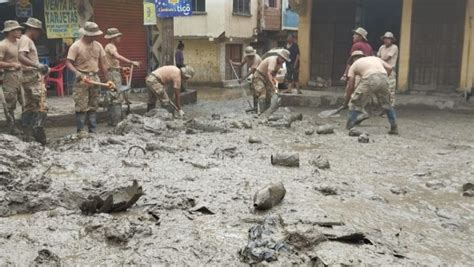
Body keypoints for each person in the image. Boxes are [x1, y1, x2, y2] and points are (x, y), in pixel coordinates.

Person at [66, 22, 112, 137]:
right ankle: (81, 131)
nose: (95, 36)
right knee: (81, 106)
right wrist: (77, 73)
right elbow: (68, 63)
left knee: (93, 105)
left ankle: (93, 131)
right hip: (82, 78)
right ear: (87, 34)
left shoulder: (98, 45)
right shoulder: (76, 46)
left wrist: (108, 80)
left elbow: (104, 64)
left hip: (94, 77)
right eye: (93, 34)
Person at [343, 51, 398, 135]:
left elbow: (350, 86)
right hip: (384, 77)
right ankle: (394, 128)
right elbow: (389, 68)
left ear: (353, 59)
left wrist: (346, 102)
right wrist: (382, 78)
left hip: (369, 77)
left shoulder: (354, 65)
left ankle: (349, 126)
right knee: (387, 104)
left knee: (355, 103)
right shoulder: (375, 58)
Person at [17, 17, 49, 145]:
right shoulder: (26, 40)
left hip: (28, 76)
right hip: (31, 77)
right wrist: (37, 66)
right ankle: (38, 136)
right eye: (38, 31)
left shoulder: (25, 40)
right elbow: (21, 57)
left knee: (29, 107)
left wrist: (40, 66)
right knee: (41, 106)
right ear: (33, 29)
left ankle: (28, 136)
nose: (39, 34)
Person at [103, 27, 140, 127]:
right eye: (118, 36)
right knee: (116, 96)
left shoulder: (109, 46)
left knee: (112, 96)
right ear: (113, 37)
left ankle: (111, 122)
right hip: (113, 74)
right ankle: (116, 122)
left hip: (113, 71)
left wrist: (121, 67)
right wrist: (131, 61)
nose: (120, 38)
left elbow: (112, 62)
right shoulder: (111, 46)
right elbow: (117, 56)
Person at [0, 20, 23, 135]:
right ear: (10, 31)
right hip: (9, 76)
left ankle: (26, 125)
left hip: (21, 75)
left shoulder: (20, 42)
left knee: (26, 101)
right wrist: (11, 64)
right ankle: (12, 127)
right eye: (17, 29)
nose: (19, 31)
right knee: (10, 103)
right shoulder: (3, 45)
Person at [252, 49, 291, 114]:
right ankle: (262, 113)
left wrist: (275, 86)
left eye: (285, 60)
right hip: (259, 76)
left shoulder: (280, 64)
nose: (283, 61)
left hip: (267, 78)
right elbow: (269, 73)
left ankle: (267, 112)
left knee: (269, 94)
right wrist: (273, 84)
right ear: (279, 56)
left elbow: (273, 75)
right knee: (262, 93)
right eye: (282, 58)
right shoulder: (273, 60)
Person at [377, 32, 399, 106]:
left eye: (388, 39)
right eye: (385, 38)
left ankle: (390, 108)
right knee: (382, 89)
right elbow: (378, 56)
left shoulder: (394, 47)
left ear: (391, 40)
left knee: (390, 90)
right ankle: (383, 107)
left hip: (390, 71)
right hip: (381, 70)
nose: (386, 40)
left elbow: (387, 58)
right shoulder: (381, 47)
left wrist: (378, 61)